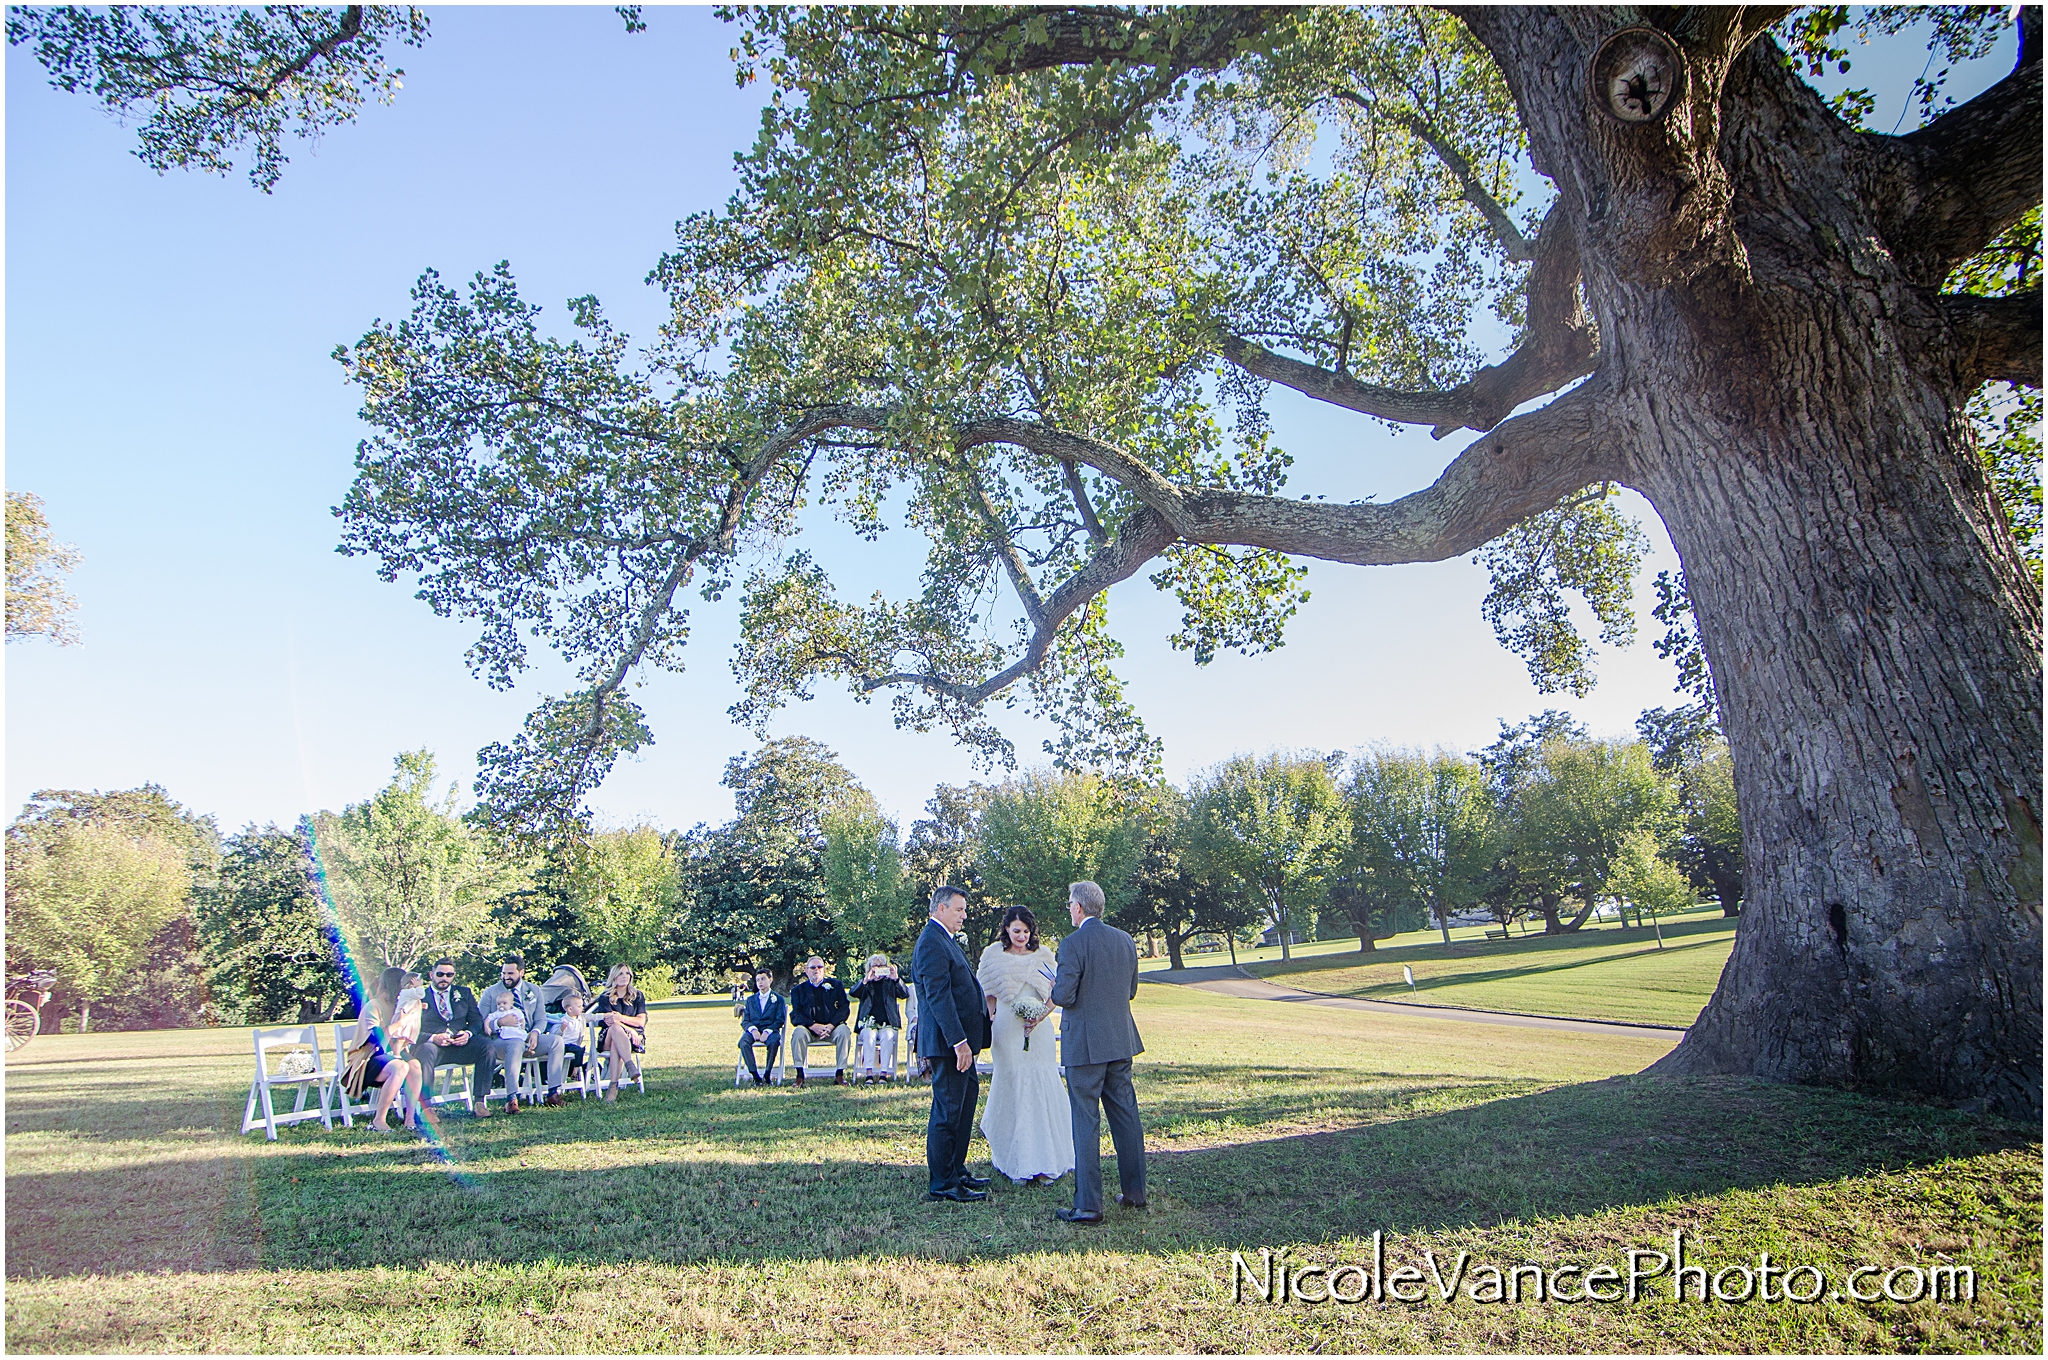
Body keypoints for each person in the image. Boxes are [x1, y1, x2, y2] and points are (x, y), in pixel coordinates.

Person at [1049, 880, 1147, 1224]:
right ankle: (1135, 1193)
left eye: (1069, 905)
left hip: (1085, 1047)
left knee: (1085, 1122)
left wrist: (1055, 984)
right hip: (1120, 1041)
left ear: (1078, 907)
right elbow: (1131, 990)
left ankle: (1089, 1204)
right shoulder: (1124, 940)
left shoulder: (1072, 943)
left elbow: (1064, 996)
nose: (1069, 910)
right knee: (1126, 1117)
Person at [976, 906, 1074, 1184]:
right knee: (1013, 1082)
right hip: (1007, 1031)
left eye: (1026, 931)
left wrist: (1041, 1015)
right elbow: (988, 995)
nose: (1021, 936)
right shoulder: (993, 955)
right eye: (1016, 930)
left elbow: (1057, 991)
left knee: (1041, 1083)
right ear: (1006, 929)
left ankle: (1046, 1160)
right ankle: (1015, 1159)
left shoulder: (1044, 956)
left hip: (1039, 1029)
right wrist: (991, 1016)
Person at [912, 885, 991, 1202]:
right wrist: (959, 1042)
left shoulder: (944, 939)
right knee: (947, 1112)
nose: (964, 915)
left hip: (962, 1045)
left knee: (963, 1106)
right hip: (948, 1045)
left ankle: (957, 1171)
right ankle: (942, 1182)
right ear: (940, 909)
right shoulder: (931, 942)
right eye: (959, 909)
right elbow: (938, 997)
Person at [479, 953, 570, 1110]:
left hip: (527, 1036)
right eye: (503, 973)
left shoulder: (534, 990)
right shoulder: (491, 992)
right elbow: (479, 1022)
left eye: (510, 973)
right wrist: (498, 1023)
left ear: (521, 973)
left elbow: (541, 1019)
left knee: (556, 1041)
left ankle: (553, 1093)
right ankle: (511, 1098)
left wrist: (535, 1032)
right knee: (515, 1044)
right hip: (501, 1040)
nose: (506, 977)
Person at [349, 966, 425, 1132]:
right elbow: (375, 1040)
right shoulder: (373, 1006)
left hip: (392, 1056)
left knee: (415, 1066)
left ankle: (410, 1118)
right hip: (368, 1058)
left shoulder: (403, 1005)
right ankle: (379, 1120)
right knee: (401, 1066)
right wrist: (400, 1023)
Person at [416, 958, 493, 1116]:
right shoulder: (419, 996)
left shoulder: (464, 993)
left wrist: (468, 1034)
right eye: (440, 974)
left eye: (449, 975)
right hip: (433, 1046)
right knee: (426, 1050)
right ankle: (426, 1107)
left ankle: (479, 1102)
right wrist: (432, 1037)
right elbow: (411, 1029)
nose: (445, 978)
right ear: (431, 975)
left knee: (487, 1046)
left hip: (460, 1045)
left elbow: (477, 1020)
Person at [788, 955, 852, 1086]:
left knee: (844, 1031)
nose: (816, 970)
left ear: (824, 969)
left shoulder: (836, 985)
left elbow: (844, 1008)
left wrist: (831, 1025)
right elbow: (796, 1014)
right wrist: (812, 1026)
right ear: (806, 971)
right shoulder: (798, 990)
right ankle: (799, 1075)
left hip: (831, 1028)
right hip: (809, 1029)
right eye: (812, 967)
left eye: (819, 967)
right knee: (798, 1033)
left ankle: (839, 1074)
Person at [590, 963, 647, 1100]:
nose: (624, 977)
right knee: (615, 1029)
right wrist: (630, 1029)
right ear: (614, 977)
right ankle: (629, 1064)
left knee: (618, 1041)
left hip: (633, 1039)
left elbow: (640, 1021)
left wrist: (622, 1019)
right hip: (608, 1037)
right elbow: (611, 1021)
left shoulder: (637, 996)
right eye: (620, 973)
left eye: (627, 973)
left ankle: (613, 1087)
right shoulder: (605, 997)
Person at [850, 954, 908, 1082]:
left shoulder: (890, 982)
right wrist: (866, 980)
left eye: (881, 966)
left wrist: (896, 979)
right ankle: (869, 1073)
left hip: (887, 1023)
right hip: (868, 1023)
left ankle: (884, 1073)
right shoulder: (866, 983)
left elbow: (905, 994)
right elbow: (853, 992)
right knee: (869, 1036)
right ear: (869, 968)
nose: (878, 968)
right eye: (875, 966)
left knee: (887, 1036)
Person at [737, 967, 786, 1086]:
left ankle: (767, 1074)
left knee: (774, 1042)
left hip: (770, 1030)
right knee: (743, 1042)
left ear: (770, 979)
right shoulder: (750, 1000)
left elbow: (780, 1020)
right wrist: (753, 1030)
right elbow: (745, 1020)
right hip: (753, 1030)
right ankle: (755, 1076)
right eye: (757, 980)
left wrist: (768, 1031)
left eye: (763, 979)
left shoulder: (778, 999)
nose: (760, 982)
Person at [556, 992, 591, 1085]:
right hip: (564, 1044)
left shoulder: (581, 1018)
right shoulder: (563, 1020)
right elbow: (555, 1035)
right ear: (570, 1009)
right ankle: (574, 1072)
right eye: (579, 1006)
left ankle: (575, 1071)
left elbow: (593, 1017)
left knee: (580, 1050)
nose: (582, 1008)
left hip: (574, 1044)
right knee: (579, 1050)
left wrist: (606, 1016)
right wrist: (561, 1029)